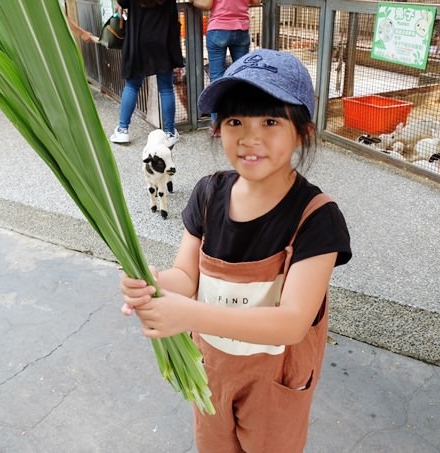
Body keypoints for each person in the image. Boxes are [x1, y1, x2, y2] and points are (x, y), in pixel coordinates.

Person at [119, 48, 352, 452]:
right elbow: (186, 277)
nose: (249, 136)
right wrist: (153, 283)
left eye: (270, 121)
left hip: (274, 380)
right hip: (211, 367)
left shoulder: (317, 217)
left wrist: (187, 313)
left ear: (303, 131)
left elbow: (293, 322)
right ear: (217, 129)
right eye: (234, 120)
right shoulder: (208, 194)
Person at [109, 0, 184, 146]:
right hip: (163, 40)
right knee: (166, 88)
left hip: (138, 39)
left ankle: (123, 130)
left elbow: (122, 2)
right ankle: (169, 133)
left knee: (132, 86)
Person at [194, 0, 261, 132]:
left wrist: (194, 2)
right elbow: (256, 1)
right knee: (241, 78)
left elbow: (206, 4)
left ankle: (218, 125)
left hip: (218, 28)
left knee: (217, 78)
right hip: (241, 29)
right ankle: (240, 121)